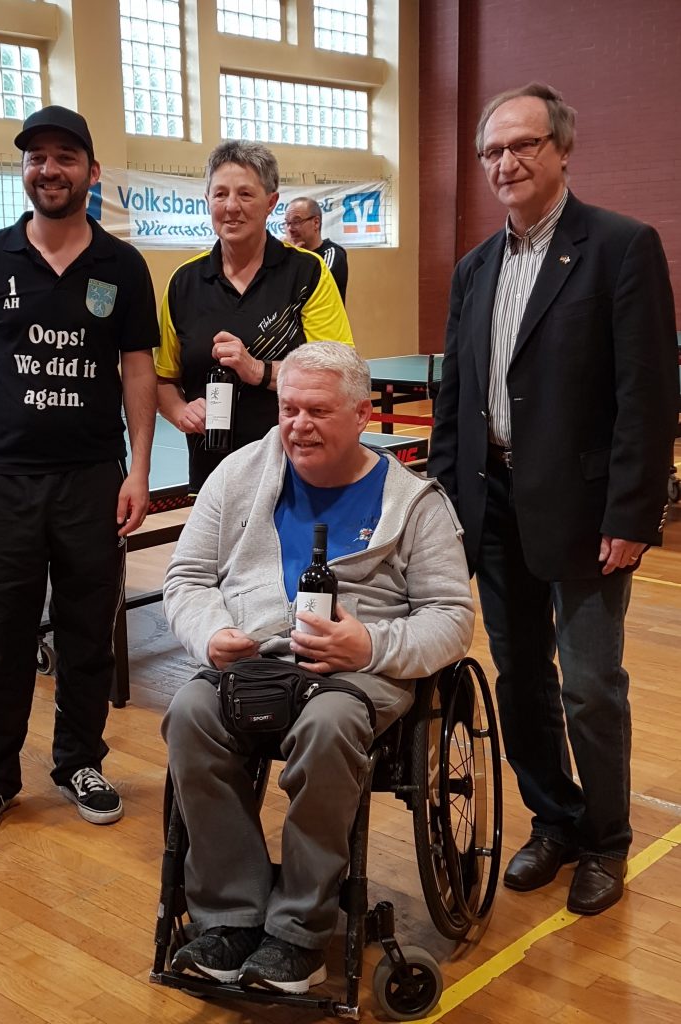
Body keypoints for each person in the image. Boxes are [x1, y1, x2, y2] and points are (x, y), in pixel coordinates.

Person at [428, 82, 678, 915]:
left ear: (563, 149)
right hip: (492, 503)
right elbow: (456, 396)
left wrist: (633, 513)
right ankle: (555, 819)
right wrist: (446, 502)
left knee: (591, 686)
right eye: (492, 151)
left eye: (522, 144)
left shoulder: (621, 247)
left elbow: (648, 396)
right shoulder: (474, 269)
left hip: (586, 510)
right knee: (521, 678)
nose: (506, 162)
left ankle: (606, 840)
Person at [161, 342, 474, 992]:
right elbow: (187, 578)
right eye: (289, 409)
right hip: (252, 664)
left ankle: (299, 932)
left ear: (362, 415)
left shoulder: (415, 503)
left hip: (356, 675)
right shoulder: (238, 476)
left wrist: (370, 647)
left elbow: (451, 618)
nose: (299, 425)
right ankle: (231, 917)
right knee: (189, 712)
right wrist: (210, 632)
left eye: (318, 411)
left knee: (329, 726)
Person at [0, 105, 160, 845]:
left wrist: (139, 469)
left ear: (91, 171)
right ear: (25, 169)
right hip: (5, 481)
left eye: (64, 156)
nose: (49, 169)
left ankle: (80, 762)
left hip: (92, 480)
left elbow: (138, 368)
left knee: (89, 634)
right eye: (36, 157)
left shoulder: (122, 266)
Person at [155, 141, 353, 493]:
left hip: (296, 474)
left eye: (245, 194)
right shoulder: (183, 283)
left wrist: (256, 370)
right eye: (220, 194)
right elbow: (163, 380)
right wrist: (180, 411)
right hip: (212, 477)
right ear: (207, 199)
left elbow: (336, 374)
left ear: (271, 202)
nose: (231, 206)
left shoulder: (307, 273)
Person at [284, 196, 349, 303]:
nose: (290, 229)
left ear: (316, 223)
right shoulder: (288, 254)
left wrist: (293, 258)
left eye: (296, 221)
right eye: (287, 223)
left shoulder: (332, 253)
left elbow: (312, 289)